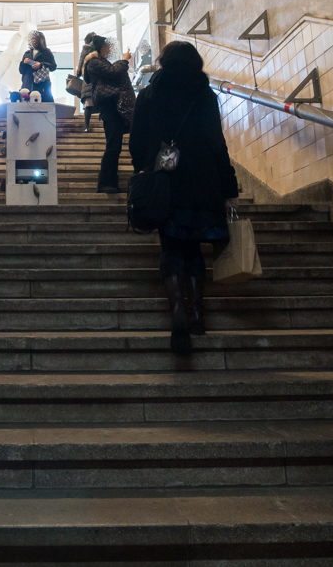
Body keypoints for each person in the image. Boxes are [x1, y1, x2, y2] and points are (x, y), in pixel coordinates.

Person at [129, 41, 240, 356]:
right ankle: (196, 312)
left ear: (164, 62)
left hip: (167, 182)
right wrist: (229, 189)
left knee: (172, 246)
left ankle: (177, 306)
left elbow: (136, 142)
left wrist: (147, 166)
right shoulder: (205, 95)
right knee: (195, 250)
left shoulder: (149, 94)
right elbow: (218, 144)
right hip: (204, 183)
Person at [82, 34, 136, 194]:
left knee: (116, 146)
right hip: (109, 107)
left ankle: (112, 183)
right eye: (107, 46)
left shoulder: (99, 61)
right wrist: (125, 60)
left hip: (112, 107)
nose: (109, 49)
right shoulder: (93, 61)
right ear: (100, 47)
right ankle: (104, 182)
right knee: (113, 146)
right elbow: (113, 72)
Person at [17, 30, 58, 103]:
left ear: (40, 40)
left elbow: (53, 66)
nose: (32, 41)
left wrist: (41, 65)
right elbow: (21, 70)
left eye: (34, 39)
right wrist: (23, 63)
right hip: (27, 85)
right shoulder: (27, 53)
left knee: (43, 108)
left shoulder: (46, 52)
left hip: (41, 85)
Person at [76, 32, 99, 131]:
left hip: (88, 78)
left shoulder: (86, 48)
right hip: (98, 78)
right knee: (100, 101)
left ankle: (87, 126)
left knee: (88, 103)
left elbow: (81, 61)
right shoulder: (100, 47)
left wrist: (78, 73)